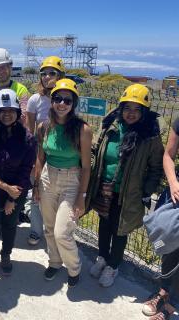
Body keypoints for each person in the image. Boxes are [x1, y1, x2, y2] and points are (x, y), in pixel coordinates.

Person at [86, 84, 164, 288]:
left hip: (130, 193)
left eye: (137, 109)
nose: (131, 113)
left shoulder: (150, 136)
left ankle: (113, 265)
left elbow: (156, 167)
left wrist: (147, 191)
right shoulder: (110, 125)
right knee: (104, 224)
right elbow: (95, 149)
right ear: (121, 108)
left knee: (120, 230)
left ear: (144, 112)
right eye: (127, 108)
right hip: (104, 187)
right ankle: (102, 257)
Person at [34, 78, 92, 287]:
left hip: (71, 179)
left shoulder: (83, 130)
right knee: (49, 227)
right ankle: (55, 262)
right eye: (57, 98)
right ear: (51, 100)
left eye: (67, 100)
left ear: (73, 104)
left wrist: (81, 197)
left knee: (62, 231)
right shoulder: (43, 127)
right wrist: (36, 186)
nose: (61, 104)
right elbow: (40, 157)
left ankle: (73, 267)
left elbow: (86, 167)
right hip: (48, 178)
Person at [0, 89, 36, 275]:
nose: (7, 114)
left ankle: (6, 254)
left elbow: (26, 170)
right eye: (2, 111)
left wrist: (12, 197)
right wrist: (5, 188)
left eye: (11, 110)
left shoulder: (27, 139)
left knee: (10, 224)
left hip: (17, 191)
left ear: (18, 113)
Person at [142, 117, 179, 320]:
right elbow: (168, 156)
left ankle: (171, 306)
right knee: (170, 247)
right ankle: (164, 294)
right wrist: (173, 183)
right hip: (178, 193)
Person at [25, 56, 65, 246]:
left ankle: (56, 232)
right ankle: (35, 230)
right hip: (40, 153)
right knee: (37, 192)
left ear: (60, 75)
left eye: (52, 73)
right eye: (44, 73)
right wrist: (32, 158)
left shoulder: (66, 99)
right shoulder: (35, 100)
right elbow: (29, 130)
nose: (47, 77)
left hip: (61, 155)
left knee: (57, 195)